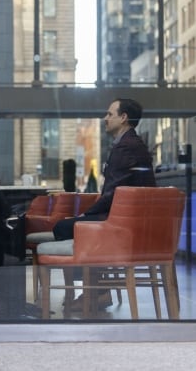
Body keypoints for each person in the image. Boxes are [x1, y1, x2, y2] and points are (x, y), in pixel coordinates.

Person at [52, 98, 156, 310]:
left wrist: (85, 215)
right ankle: (97, 290)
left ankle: (97, 292)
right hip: (132, 221)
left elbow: (112, 192)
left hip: (124, 224)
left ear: (124, 117)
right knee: (75, 225)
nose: (105, 118)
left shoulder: (125, 148)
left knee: (63, 227)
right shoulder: (131, 144)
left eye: (110, 114)